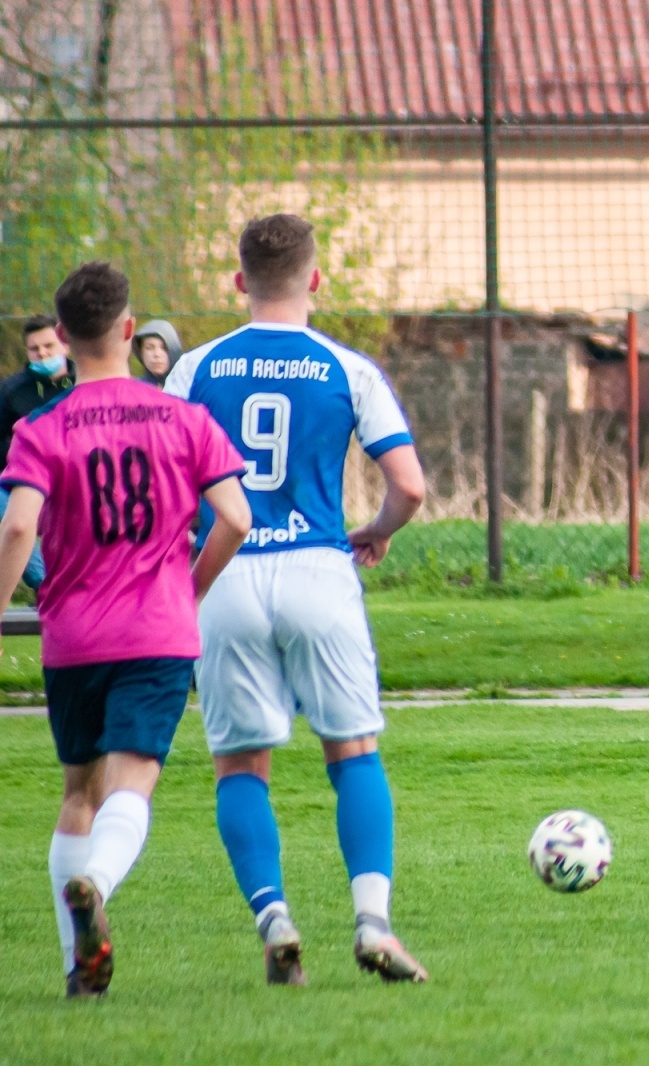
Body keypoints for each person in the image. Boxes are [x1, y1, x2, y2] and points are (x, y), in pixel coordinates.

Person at [165, 214, 429, 985]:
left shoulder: (194, 371)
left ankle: (274, 915)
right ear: (314, 280)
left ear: (240, 282)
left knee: (240, 763)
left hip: (226, 572)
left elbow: (171, 485)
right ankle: (373, 923)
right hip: (319, 567)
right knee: (352, 750)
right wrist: (376, 530)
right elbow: (409, 485)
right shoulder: (347, 369)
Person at [0, 263, 250, 997]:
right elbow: (236, 517)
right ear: (129, 329)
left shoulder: (39, 427)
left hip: (74, 635)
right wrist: (189, 587)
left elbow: (18, 525)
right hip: (158, 629)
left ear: (65, 339)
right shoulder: (185, 419)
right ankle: (98, 886)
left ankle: (77, 967)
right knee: (133, 782)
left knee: (79, 790)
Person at [0, 314, 75, 589]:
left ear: (64, 345)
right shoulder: (11, 391)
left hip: (78, 477)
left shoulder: (86, 381)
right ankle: (48, 584)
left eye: (49, 346)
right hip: (27, 480)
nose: (42, 354)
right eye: (35, 349)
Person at [133, 319, 182, 387]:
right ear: (141, 352)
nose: (157, 354)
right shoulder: (134, 389)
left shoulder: (186, 387)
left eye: (164, 348)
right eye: (149, 348)